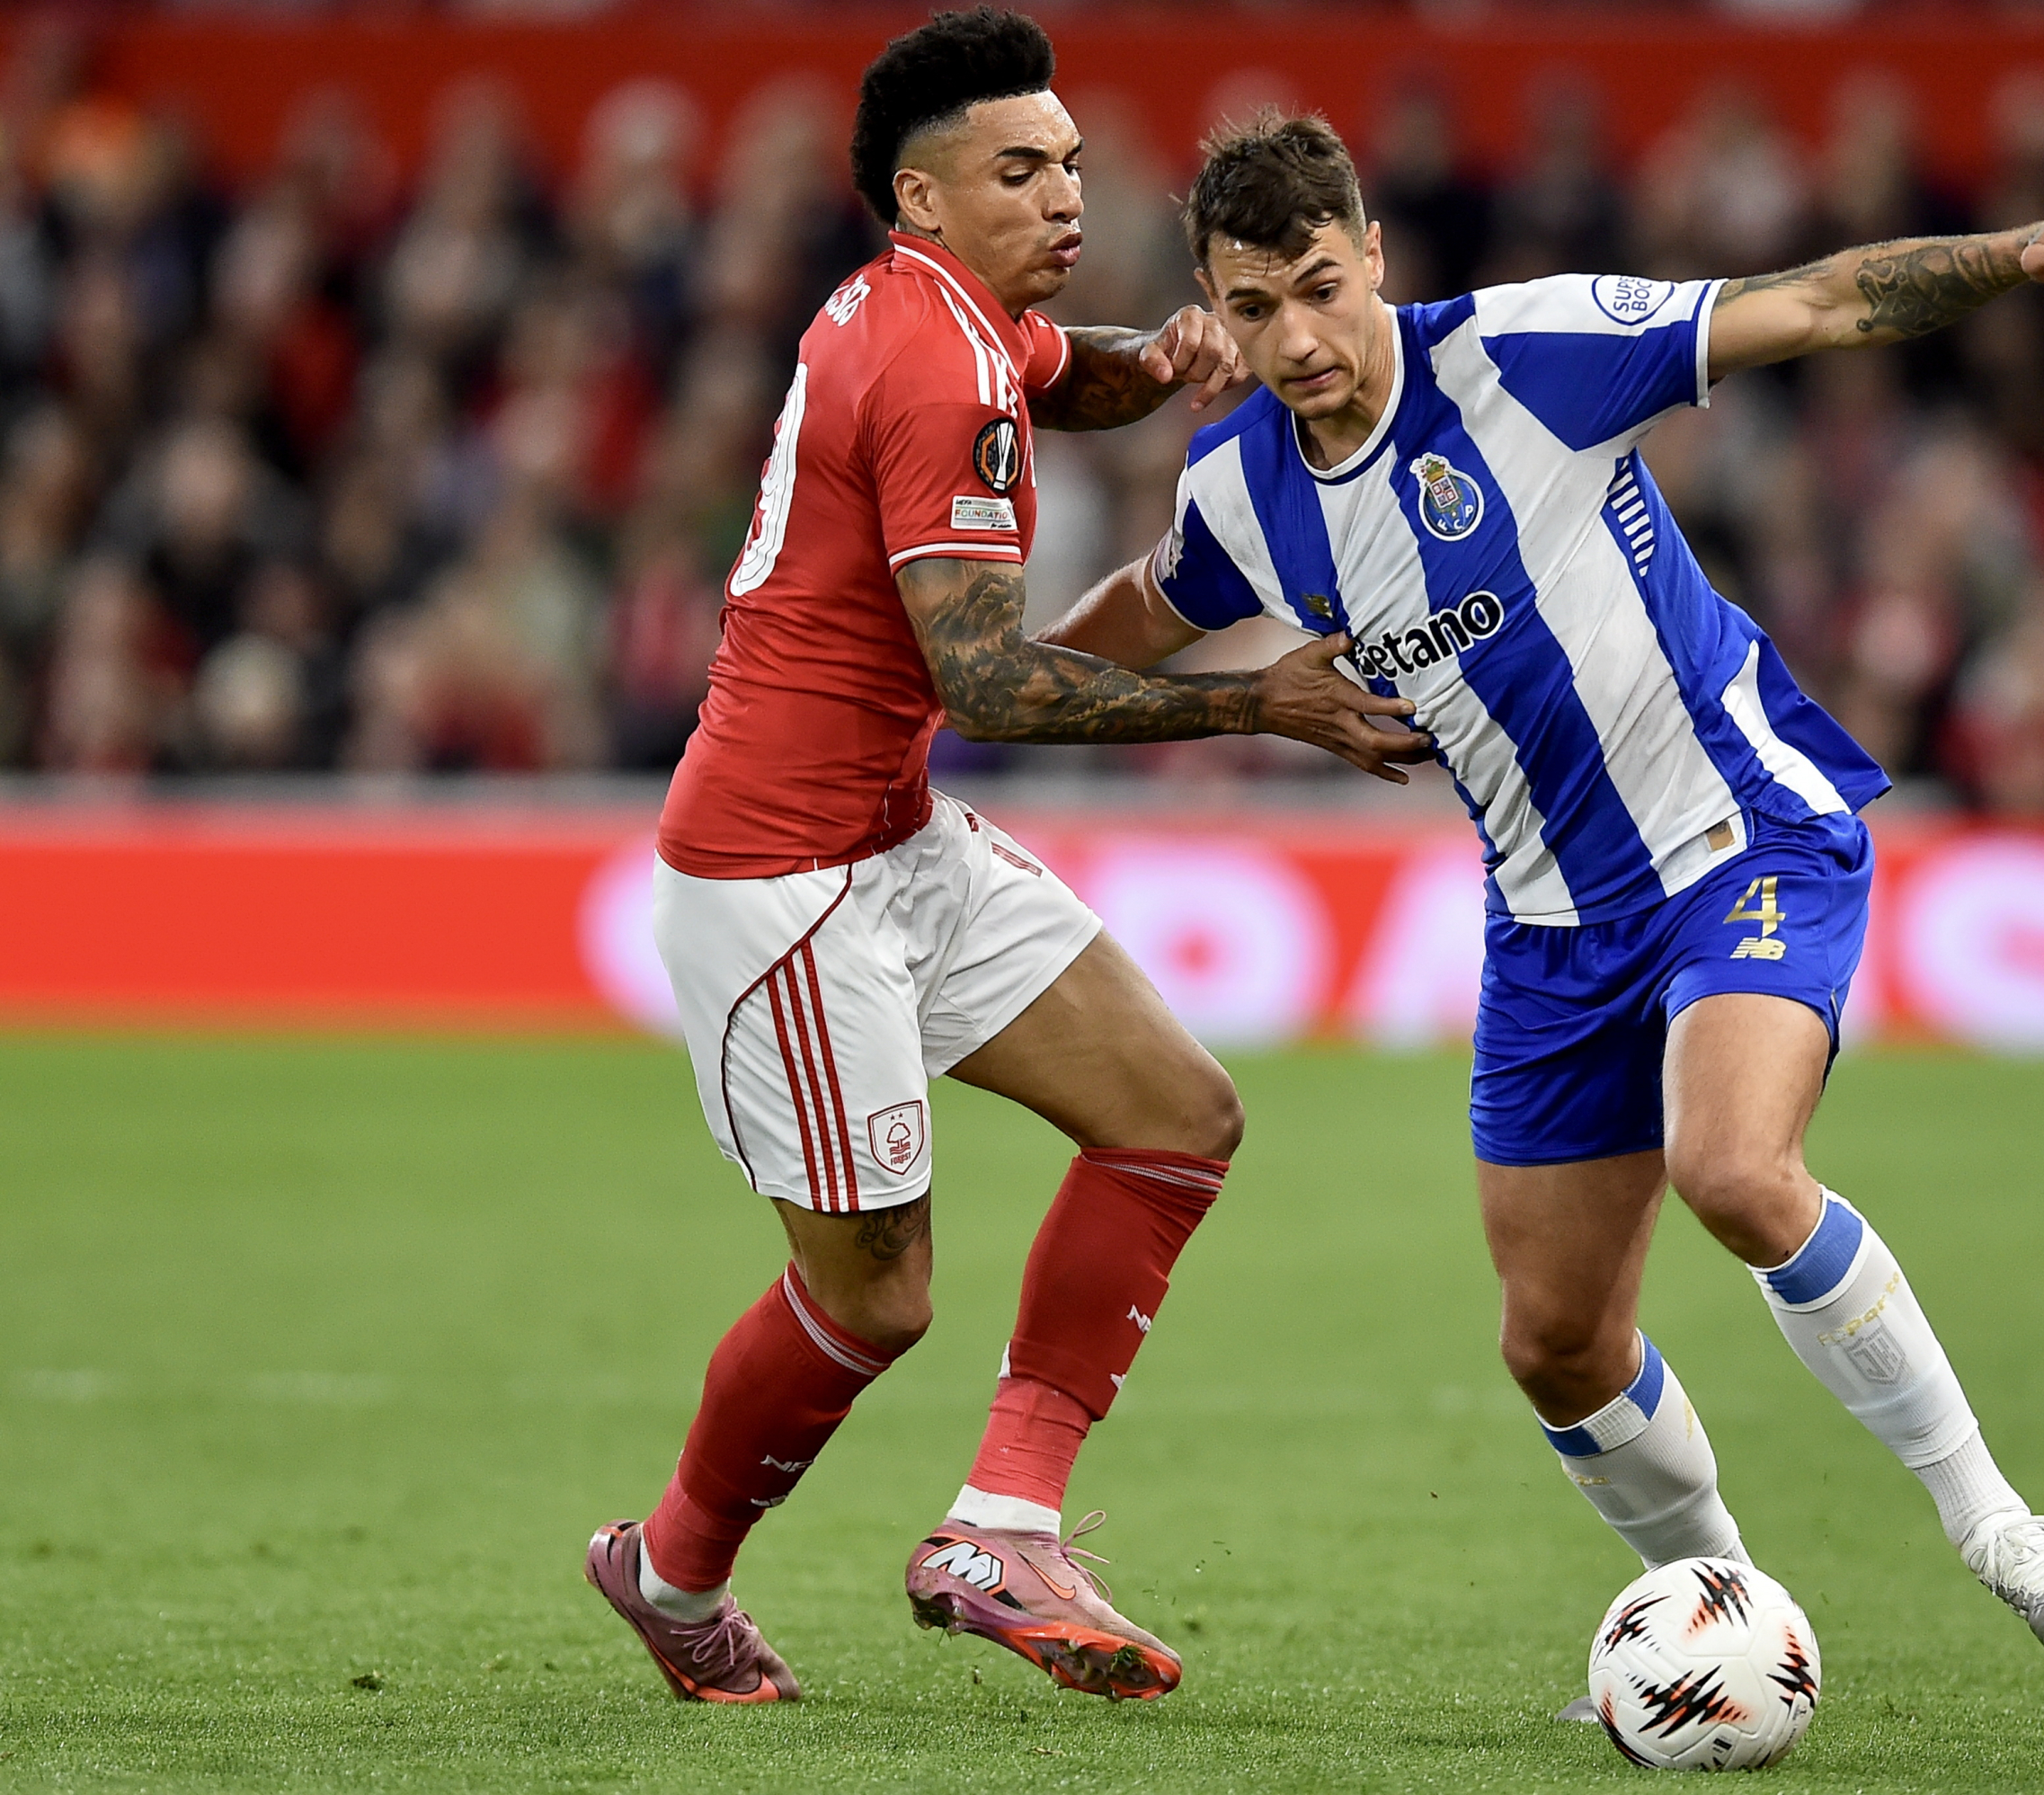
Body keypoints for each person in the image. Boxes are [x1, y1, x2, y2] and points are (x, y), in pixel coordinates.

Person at [1043, 111, 2044, 1698]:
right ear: (1213, 311)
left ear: (1375, 254)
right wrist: (952, 685)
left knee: (1733, 1166)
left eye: (1319, 287)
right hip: (1548, 923)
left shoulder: (1529, 353)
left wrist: (2018, 248)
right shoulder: (1242, 487)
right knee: (1556, 1342)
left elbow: (1824, 301)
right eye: (1253, 310)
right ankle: (1715, 1603)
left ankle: (1996, 1521)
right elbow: (1141, 622)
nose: (1297, 338)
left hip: (1737, 837)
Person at [582, 21, 1421, 1708]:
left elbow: (1069, 369)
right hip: (786, 884)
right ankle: (671, 1573)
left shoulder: (953, 315)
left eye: (1073, 165)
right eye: (1022, 169)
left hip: (889, 835)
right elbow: (995, 681)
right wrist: (1262, 700)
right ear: (923, 195)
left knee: (1179, 1113)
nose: (1066, 190)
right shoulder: (938, 367)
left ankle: (1002, 1525)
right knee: (879, 1296)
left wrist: (1173, 362)